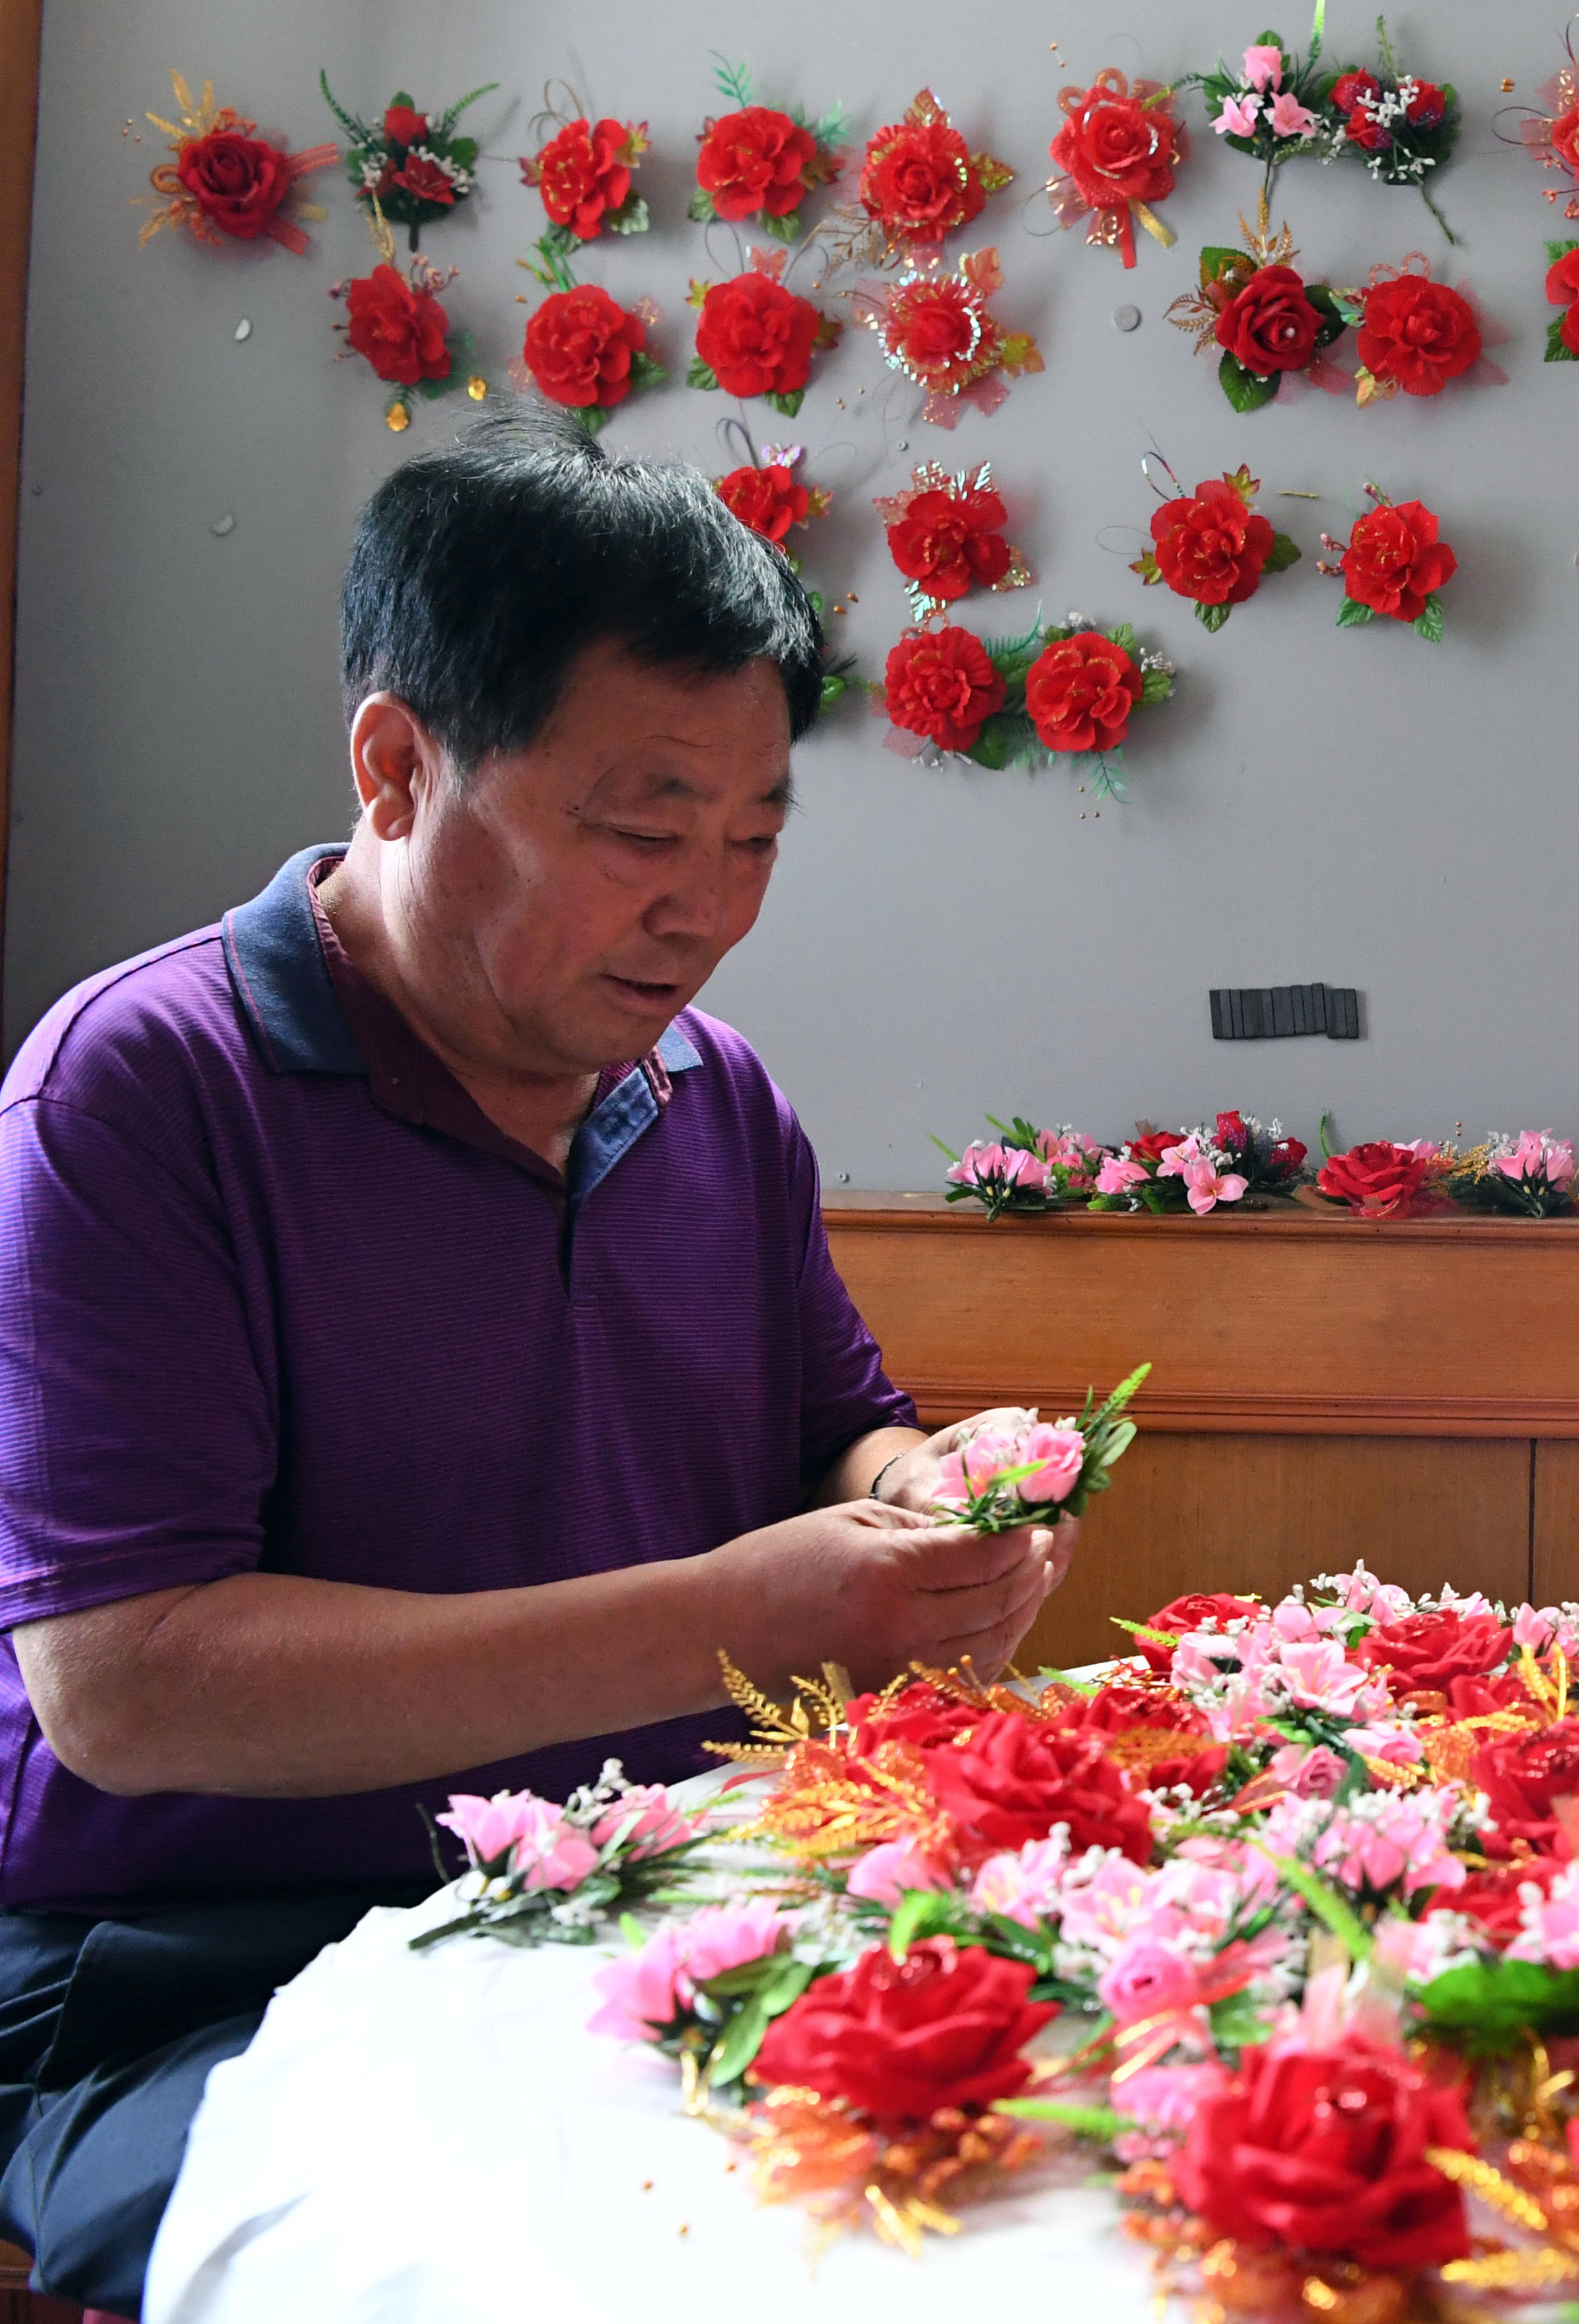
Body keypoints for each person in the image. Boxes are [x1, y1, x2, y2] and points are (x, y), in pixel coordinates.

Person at [0, 414, 1076, 2312]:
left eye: (752, 841)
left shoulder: (712, 1100)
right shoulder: (137, 1091)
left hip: (644, 1900)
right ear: (400, 769)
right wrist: (736, 1619)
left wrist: (927, 1503)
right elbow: (129, 1689)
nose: (709, 908)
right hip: (192, 1968)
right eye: (644, 830)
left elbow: (839, 1432)